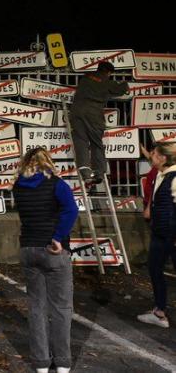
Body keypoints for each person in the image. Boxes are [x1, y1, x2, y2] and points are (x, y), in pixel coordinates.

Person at [13, 147, 79, 373]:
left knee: (36, 307)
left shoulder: (18, 186)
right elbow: (71, 210)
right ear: (48, 162)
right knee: (61, 308)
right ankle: (62, 363)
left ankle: (41, 363)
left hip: (28, 248)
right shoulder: (57, 184)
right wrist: (58, 237)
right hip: (53, 250)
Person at [69, 61, 129, 184]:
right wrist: (124, 83)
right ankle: (98, 172)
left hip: (76, 111)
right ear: (108, 72)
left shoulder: (85, 78)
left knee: (80, 140)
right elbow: (122, 89)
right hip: (93, 113)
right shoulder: (107, 81)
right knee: (96, 142)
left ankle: (85, 171)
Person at [138, 142, 176, 328]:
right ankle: (159, 312)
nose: (151, 157)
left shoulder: (174, 177)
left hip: (170, 234)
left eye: (153, 154)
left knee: (156, 269)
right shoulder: (161, 174)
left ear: (162, 158)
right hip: (161, 232)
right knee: (154, 269)